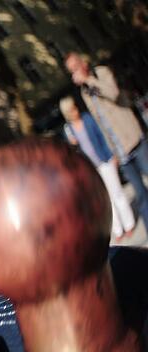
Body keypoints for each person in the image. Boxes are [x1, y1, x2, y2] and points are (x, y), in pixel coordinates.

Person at [65, 52, 148, 224]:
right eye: (71, 71)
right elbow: (100, 122)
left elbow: (114, 93)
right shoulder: (84, 92)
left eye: (76, 67)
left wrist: (89, 80)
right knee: (141, 195)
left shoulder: (101, 73)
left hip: (134, 139)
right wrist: (112, 150)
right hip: (120, 151)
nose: (75, 73)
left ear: (83, 62)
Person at [60, 97, 135, 240]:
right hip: (92, 169)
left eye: (75, 108)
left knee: (117, 193)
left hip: (104, 160)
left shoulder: (87, 119)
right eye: (71, 110)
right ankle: (118, 230)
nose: (75, 111)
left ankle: (129, 224)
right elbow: (72, 153)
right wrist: (72, 144)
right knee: (106, 199)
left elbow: (101, 136)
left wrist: (112, 155)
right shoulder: (68, 130)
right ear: (67, 113)